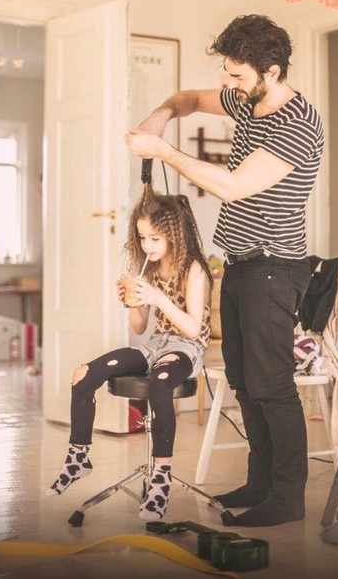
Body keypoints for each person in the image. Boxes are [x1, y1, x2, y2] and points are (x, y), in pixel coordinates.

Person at [125, 14, 324, 528]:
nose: (228, 86)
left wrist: (163, 151)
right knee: (240, 378)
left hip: (276, 268)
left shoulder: (298, 125)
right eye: (228, 74)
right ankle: (260, 481)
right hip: (239, 265)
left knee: (270, 384)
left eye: (237, 77)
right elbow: (189, 99)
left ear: (272, 71)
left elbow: (234, 186)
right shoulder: (248, 97)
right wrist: (161, 115)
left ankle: (287, 496)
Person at [46, 184, 213, 522]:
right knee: (83, 374)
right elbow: (139, 328)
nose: (146, 246)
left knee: (160, 384)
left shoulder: (194, 269)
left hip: (186, 347)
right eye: (141, 238)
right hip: (156, 343)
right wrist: (131, 301)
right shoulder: (149, 268)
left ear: (174, 235)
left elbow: (193, 329)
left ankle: (161, 477)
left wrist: (156, 298)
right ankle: (79, 459)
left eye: (154, 238)